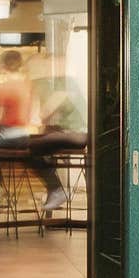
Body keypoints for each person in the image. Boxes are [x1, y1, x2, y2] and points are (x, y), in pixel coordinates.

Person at [28, 72, 89, 212]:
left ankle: (56, 189)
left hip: (76, 134)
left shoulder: (63, 88)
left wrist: (37, 117)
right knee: (44, 150)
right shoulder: (69, 86)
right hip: (78, 133)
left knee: (33, 147)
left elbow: (44, 113)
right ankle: (54, 190)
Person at [0, 49, 34, 200]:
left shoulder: (3, 87)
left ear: (3, 66)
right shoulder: (27, 86)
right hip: (24, 136)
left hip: (9, 136)